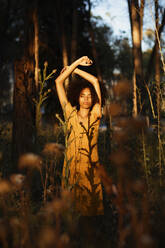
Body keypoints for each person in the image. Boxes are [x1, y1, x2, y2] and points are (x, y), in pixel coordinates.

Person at [55, 56, 104, 216]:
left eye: (89, 96)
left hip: (90, 167)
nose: (86, 99)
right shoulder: (69, 113)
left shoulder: (96, 114)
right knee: (71, 212)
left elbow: (95, 81)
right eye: (82, 95)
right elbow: (58, 82)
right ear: (77, 97)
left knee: (90, 213)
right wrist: (75, 63)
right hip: (72, 167)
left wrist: (74, 69)